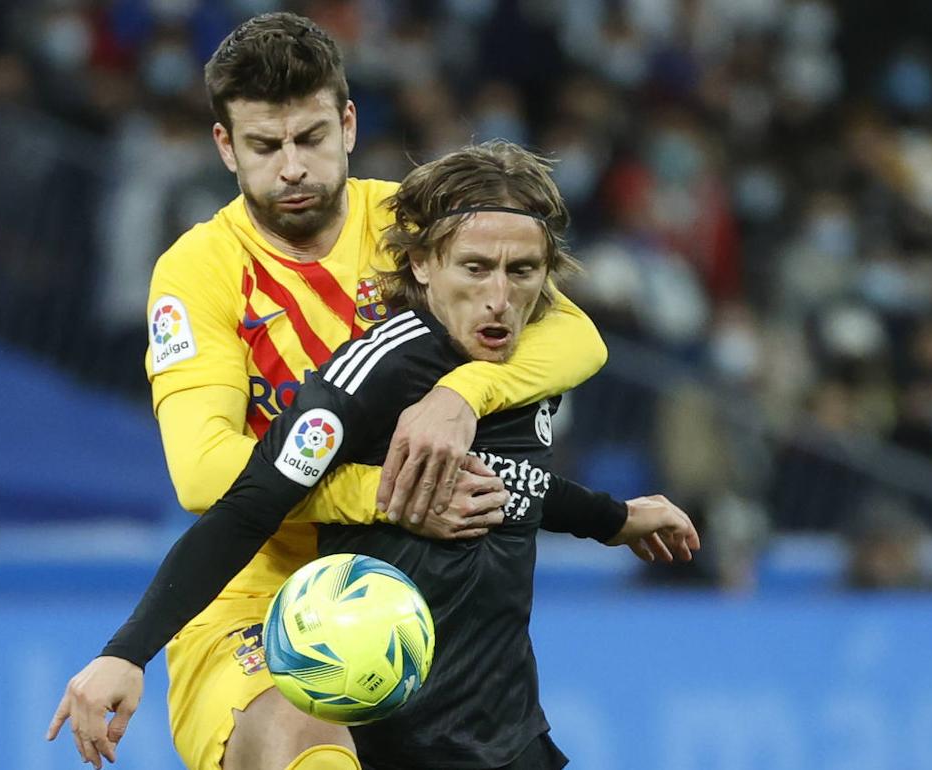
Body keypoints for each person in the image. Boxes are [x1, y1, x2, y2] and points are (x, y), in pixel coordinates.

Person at [48, 13, 611, 770]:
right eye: (264, 145)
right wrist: (386, 493)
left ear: (347, 125)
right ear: (225, 147)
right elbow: (205, 472)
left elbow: (575, 335)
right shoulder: (200, 272)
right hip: (252, 595)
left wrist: (464, 396)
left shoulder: (412, 223)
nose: (291, 168)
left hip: (408, 588)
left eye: (309, 138)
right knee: (301, 735)